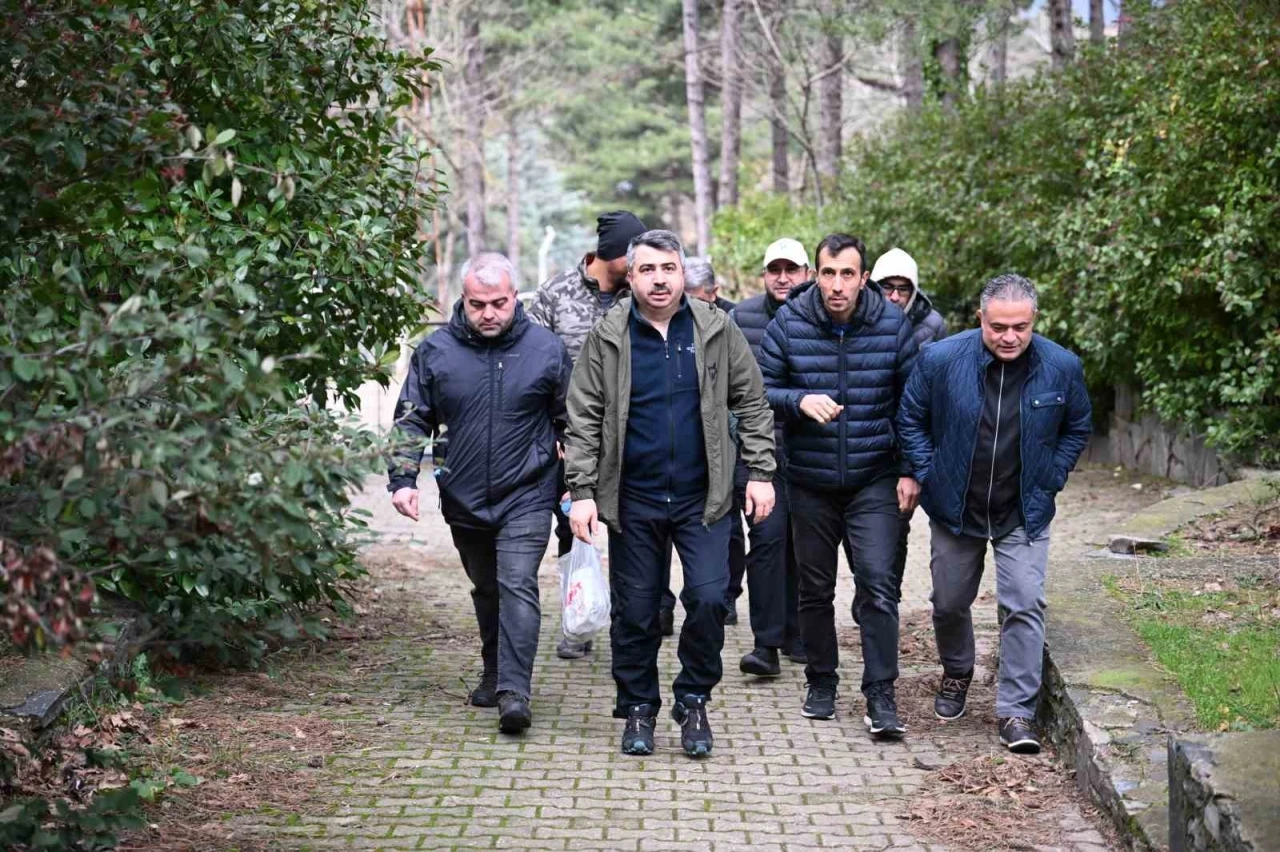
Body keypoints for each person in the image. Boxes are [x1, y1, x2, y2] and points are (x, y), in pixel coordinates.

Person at [564, 230, 776, 758]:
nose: (659, 279)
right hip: (633, 498)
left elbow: (751, 401)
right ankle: (638, 705)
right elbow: (584, 416)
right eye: (648, 269)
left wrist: (761, 472)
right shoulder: (608, 335)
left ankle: (694, 697)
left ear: (682, 273)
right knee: (636, 612)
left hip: (703, 498)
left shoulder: (716, 328)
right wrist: (582, 491)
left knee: (709, 598)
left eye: (669, 268)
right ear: (630, 276)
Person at [897, 273, 1092, 754]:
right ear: (980, 318)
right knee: (948, 601)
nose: (1009, 337)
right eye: (998, 327)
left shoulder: (1061, 366)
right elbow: (911, 418)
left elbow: (1077, 426)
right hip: (955, 507)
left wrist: (1052, 475)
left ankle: (1016, 711)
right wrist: (931, 472)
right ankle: (957, 670)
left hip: (1023, 508)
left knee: (1023, 603)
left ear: (1034, 320)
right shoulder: (941, 360)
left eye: (1020, 327)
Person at [388, 253, 573, 735]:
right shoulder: (436, 351)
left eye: (498, 303)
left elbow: (571, 422)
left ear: (515, 297)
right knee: (487, 587)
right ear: (463, 300)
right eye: (477, 304)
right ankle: (493, 672)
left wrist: (577, 487)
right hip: (464, 495)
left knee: (517, 583)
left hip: (528, 491)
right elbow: (411, 418)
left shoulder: (546, 349)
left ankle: (515, 692)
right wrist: (403, 480)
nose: (488, 313)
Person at [758, 233, 919, 737]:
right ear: (815, 275)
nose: (837, 285)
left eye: (847, 274)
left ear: (863, 278)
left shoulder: (892, 325)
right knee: (815, 588)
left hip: (874, 478)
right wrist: (798, 401)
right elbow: (759, 390)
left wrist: (910, 470)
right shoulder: (790, 322)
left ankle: (881, 693)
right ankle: (821, 680)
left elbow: (914, 404)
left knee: (877, 583)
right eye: (828, 273)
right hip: (810, 479)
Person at [528, 210, 648, 659]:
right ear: (611, 252)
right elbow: (532, 365)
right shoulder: (555, 294)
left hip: (630, 439)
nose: (639, 263)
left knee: (634, 532)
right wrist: (551, 431)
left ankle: (634, 623)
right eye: (632, 253)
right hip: (567, 440)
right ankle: (578, 620)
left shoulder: (640, 295)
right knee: (573, 529)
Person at [846, 247, 948, 623]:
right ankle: (871, 588)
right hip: (865, 440)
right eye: (886, 287)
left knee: (896, 527)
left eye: (902, 288)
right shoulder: (858, 319)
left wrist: (918, 462)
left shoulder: (932, 325)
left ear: (914, 291)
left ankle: (884, 593)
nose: (893, 296)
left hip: (909, 444)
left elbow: (937, 392)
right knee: (859, 531)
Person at [727, 238, 811, 675]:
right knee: (766, 542)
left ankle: (799, 634)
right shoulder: (740, 318)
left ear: (807, 274)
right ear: (764, 275)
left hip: (810, 453)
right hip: (759, 455)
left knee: (804, 548)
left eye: (791, 269)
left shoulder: (819, 315)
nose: (783, 278)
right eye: (774, 270)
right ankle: (766, 645)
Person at [683, 256, 746, 628]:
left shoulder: (731, 321)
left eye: (697, 297)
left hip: (726, 443)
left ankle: (728, 595)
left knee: (729, 525)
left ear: (714, 293)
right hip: (686, 445)